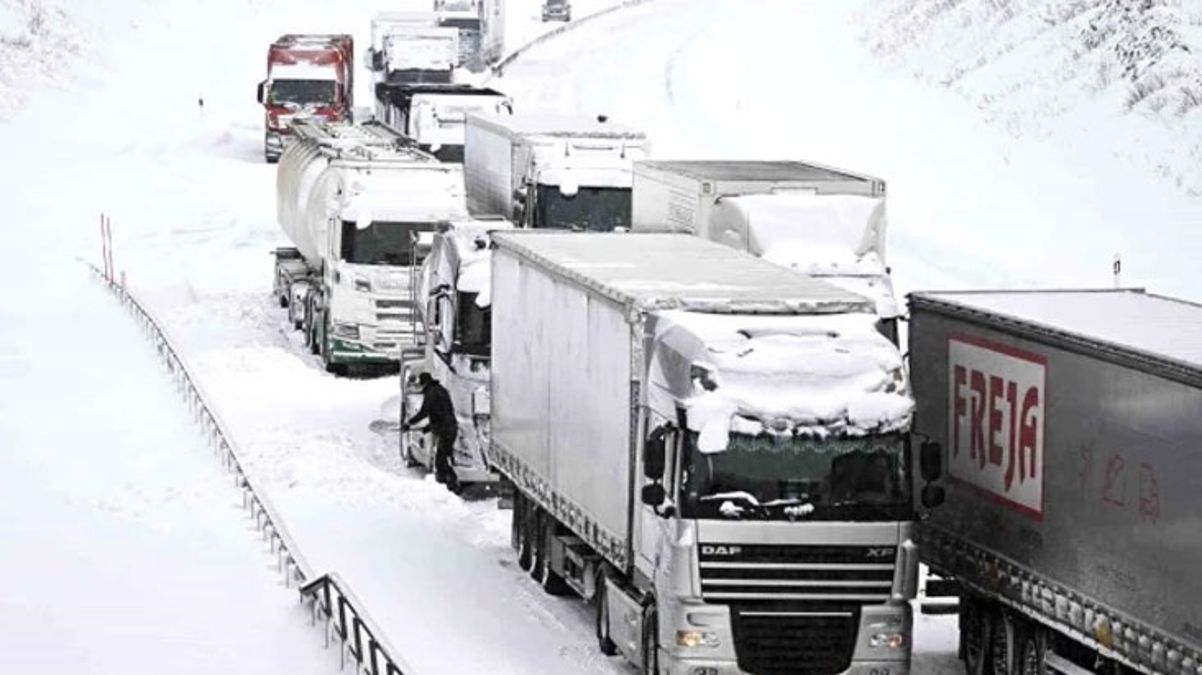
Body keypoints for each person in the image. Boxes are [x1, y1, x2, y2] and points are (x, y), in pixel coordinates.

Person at [403, 372, 459, 492]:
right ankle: (449, 483)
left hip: (445, 430)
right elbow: (440, 413)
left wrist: (409, 423)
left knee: (441, 459)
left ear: (424, 383)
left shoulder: (431, 393)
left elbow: (424, 412)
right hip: (451, 427)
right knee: (444, 456)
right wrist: (429, 427)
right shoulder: (440, 390)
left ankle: (448, 486)